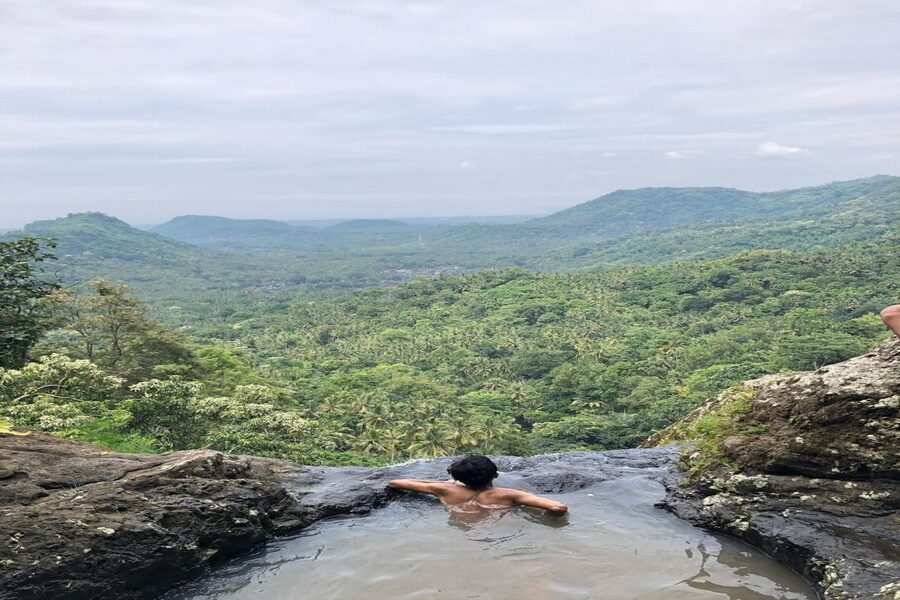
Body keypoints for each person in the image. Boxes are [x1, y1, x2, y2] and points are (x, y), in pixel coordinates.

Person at [388, 455, 568, 515]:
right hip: (497, 532)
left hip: (461, 528)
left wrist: (444, 483)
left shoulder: (444, 490)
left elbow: (395, 483)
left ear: (459, 478)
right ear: (496, 475)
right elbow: (558, 507)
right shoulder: (510, 495)